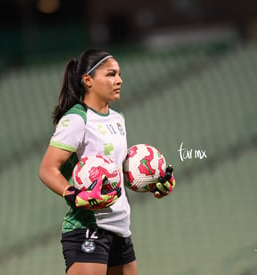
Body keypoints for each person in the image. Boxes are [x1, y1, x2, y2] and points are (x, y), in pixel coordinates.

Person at [39, 49, 176, 275]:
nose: (119, 80)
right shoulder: (76, 118)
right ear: (88, 80)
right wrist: (75, 194)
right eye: (111, 74)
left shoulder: (117, 118)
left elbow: (114, 175)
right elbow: (47, 170)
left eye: (119, 74)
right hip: (88, 228)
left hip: (121, 229)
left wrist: (154, 182)